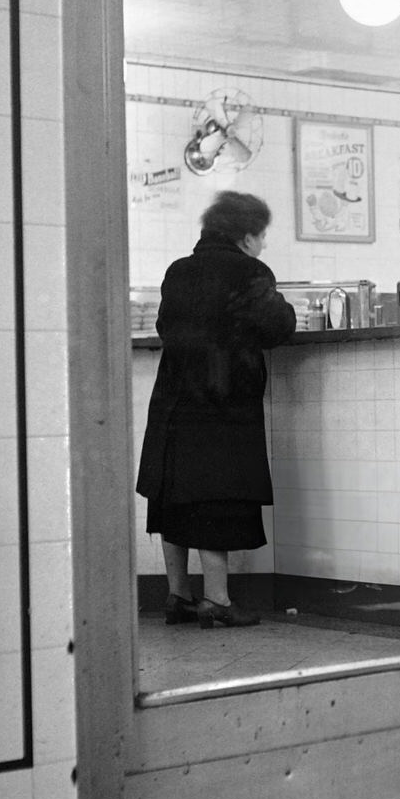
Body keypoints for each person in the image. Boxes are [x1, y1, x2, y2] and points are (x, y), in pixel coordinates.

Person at [136, 191, 297, 628]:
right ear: (245, 236)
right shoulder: (249, 271)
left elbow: (164, 325)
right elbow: (277, 327)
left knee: (173, 496)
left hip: (173, 399)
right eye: (261, 236)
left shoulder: (178, 271)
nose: (263, 244)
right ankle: (218, 601)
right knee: (214, 498)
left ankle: (176, 595)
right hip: (222, 402)